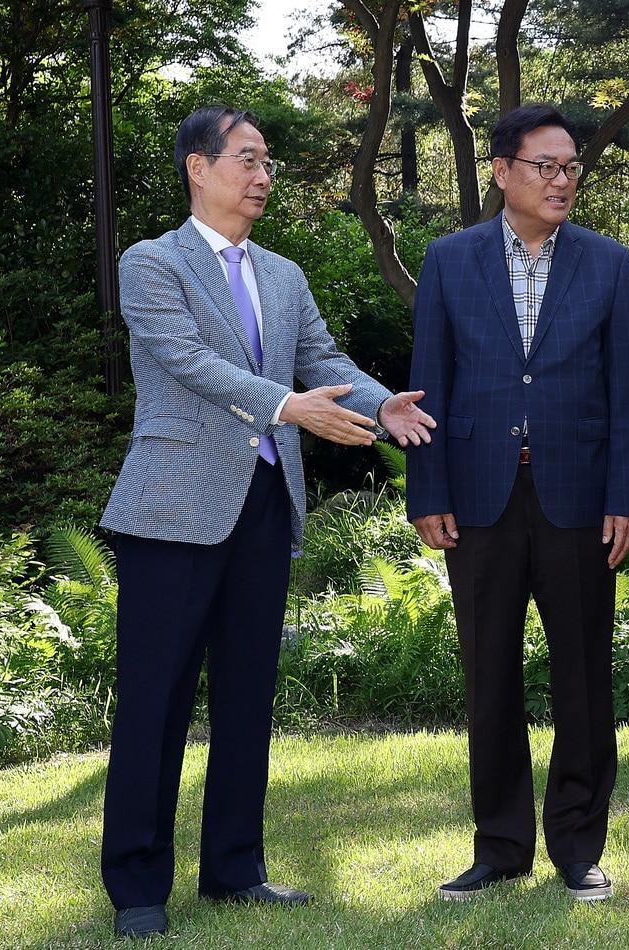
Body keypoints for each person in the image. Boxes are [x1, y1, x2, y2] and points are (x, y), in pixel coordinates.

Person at [100, 106, 436, 939]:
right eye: (246, 159)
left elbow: (320, 358)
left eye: (268, 163)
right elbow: (186, 360)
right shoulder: (151, 263)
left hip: (262, 504)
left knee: (249, 692)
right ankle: (138, 887)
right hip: (170, 512)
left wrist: (376, 399)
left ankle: (235, 871)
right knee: (156, 697)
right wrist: (288, 406)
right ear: (198, 167)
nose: (262, 176)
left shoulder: (282, 274)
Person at [406, 104, 629, 904]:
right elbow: (427, 380)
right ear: (503, 172)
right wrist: (427, 490)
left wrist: (627, 496)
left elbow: (625, 391)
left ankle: (578, 845)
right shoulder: (449, 259)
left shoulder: (609, 263)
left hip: (580, 499)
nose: (562, 180)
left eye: (572, 167)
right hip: (477, 498)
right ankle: (500, 847)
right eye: (545, 165)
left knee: (584, 675)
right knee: (489, 679)